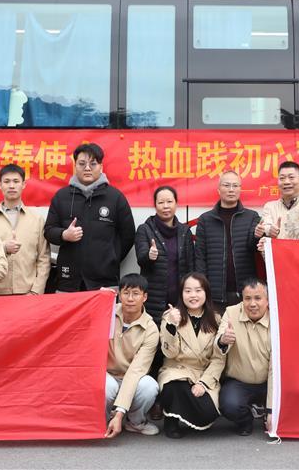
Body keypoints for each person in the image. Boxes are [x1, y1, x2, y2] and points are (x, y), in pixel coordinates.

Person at [44, 143, 136, 291]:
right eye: (82, 164)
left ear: (101, 167)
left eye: (93, 164)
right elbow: (48, 231)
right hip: (69, 280)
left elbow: (128, 236)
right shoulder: (62, 196)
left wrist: (111, 258)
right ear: (75, 166)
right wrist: (64, 235)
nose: (87, 168)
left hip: (105, 280)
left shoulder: (115, 197)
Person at [158, 273, 225, 438]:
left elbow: (219, 359)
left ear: (206, 293)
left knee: (207, 412)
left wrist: (203, 383)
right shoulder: (170, 315)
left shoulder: (216, 319)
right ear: (181, 294)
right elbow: (169, 353)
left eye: (198, 290)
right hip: (177, 370)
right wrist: (172, 325)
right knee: (173, 387)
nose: (193, 295)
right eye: (188, 291)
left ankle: (184, 410)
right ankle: (171, 419)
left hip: (202, 373)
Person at [0, 164, 51, 295]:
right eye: (6, 181)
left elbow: (43, 259)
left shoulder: (37, 220)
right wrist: (3, 248)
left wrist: (36, 291)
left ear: (23, 185)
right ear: (0, 185)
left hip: (27, 293)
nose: (11, 186)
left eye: (16, 181)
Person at [194, 171, 261, 310]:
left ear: (240, 189)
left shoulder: (252, 217)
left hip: (245, 293)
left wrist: (258, 236)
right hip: (214, 294)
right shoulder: (205, 220)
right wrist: (202, 288)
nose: (231, 189)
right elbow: (200, 257)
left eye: (235, 186)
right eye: (227, 185)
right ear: (218, 189)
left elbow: (254, 248)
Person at [105, 274, 161, 438]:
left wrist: (120, 413)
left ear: (145, 297)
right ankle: (104, 420)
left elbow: (136, 371)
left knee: (149, 386)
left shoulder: (151, 329)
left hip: (131, 376)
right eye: (126, 293)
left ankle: (135, 422)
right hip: (107, 374)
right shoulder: (107, 312)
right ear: (119, 295)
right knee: (107, 386)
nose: (130, 299)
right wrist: (98, 296)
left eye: (136, 294)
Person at [216, 278, 272, 436]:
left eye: (258, 298)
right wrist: (223, 340)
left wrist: (271, 410)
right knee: (229, 405)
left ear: (267, 300)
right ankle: (247, 420)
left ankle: (265, 411)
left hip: (268, 380)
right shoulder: (231, 312)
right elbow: (218, 342)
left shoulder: (276, 317)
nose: (252, 304)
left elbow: (275, 369)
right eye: (247, 298)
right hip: (239, 381)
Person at [135, 186, 195, 325]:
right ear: (155, 205)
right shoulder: (145, 229)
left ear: (176, 203)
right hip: (154, 299)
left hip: (180, 298)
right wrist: (149, 256)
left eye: (169, 202)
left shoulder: (184, 231)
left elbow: (191, 265)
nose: (165, 206)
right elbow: (141, 259)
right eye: (161, 202)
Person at [256, 161, 299, 239]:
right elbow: (266, 226)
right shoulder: (270, 207)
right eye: (282, 178)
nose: (286, 182)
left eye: (291, 177)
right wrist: (269, 231)